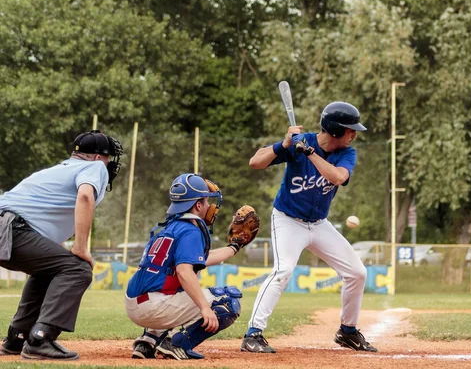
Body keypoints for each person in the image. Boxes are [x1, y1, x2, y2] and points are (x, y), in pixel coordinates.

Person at [241, 101, 377, 353]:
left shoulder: (347, 153)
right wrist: (284, 145)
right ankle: (253, 334)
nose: (354, 134)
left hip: (319, 224)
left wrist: (310, 152)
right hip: (288, 220)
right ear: (336, 130)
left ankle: (347, 331)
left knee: (357, 273)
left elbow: (337, 177)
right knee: (283, 271)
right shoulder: (297, 143)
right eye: (350, 130)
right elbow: (255, 162)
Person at [0, 130, 123, 360]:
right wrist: (81, 247)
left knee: (49, 269)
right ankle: (40, 339)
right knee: (77, 268)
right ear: (97, 157)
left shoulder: (62, 168)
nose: (109, 164)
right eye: (108, 158)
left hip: (8, 226)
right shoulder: (95, 168)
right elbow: (85, 197)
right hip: (10, 228)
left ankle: (18, 337)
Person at [125, 173, 246, 360]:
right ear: (198, 205)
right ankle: (176, 344)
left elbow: (200, 259)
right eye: (206, 201)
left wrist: (234, 247)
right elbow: (183, 271)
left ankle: (147, 341)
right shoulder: (190, 230)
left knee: (175, 289)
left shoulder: (169, 228)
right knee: (228, 299)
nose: (209, 206)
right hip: (155, 308)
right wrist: (205, 308)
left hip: (134, 303)